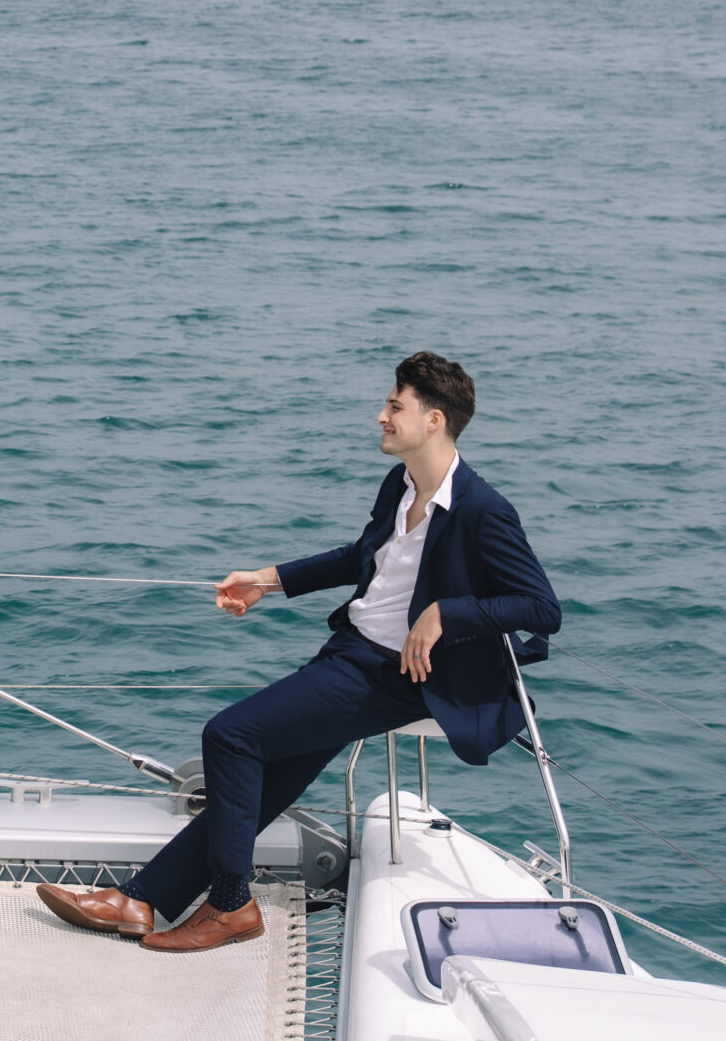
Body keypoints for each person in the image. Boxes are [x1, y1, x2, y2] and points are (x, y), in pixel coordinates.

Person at [37, 352, 560, 952]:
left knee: (231, 736)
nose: (381, 416)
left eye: (395, 406)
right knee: (261, 785)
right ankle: (141, 899)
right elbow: (361, 557)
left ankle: (231, 906)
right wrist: (268, 579)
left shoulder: (483, 510)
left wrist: (446, 613)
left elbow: (542, 607)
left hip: (397, 676)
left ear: (434, 420)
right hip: (352, 651)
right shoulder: (403, 483)